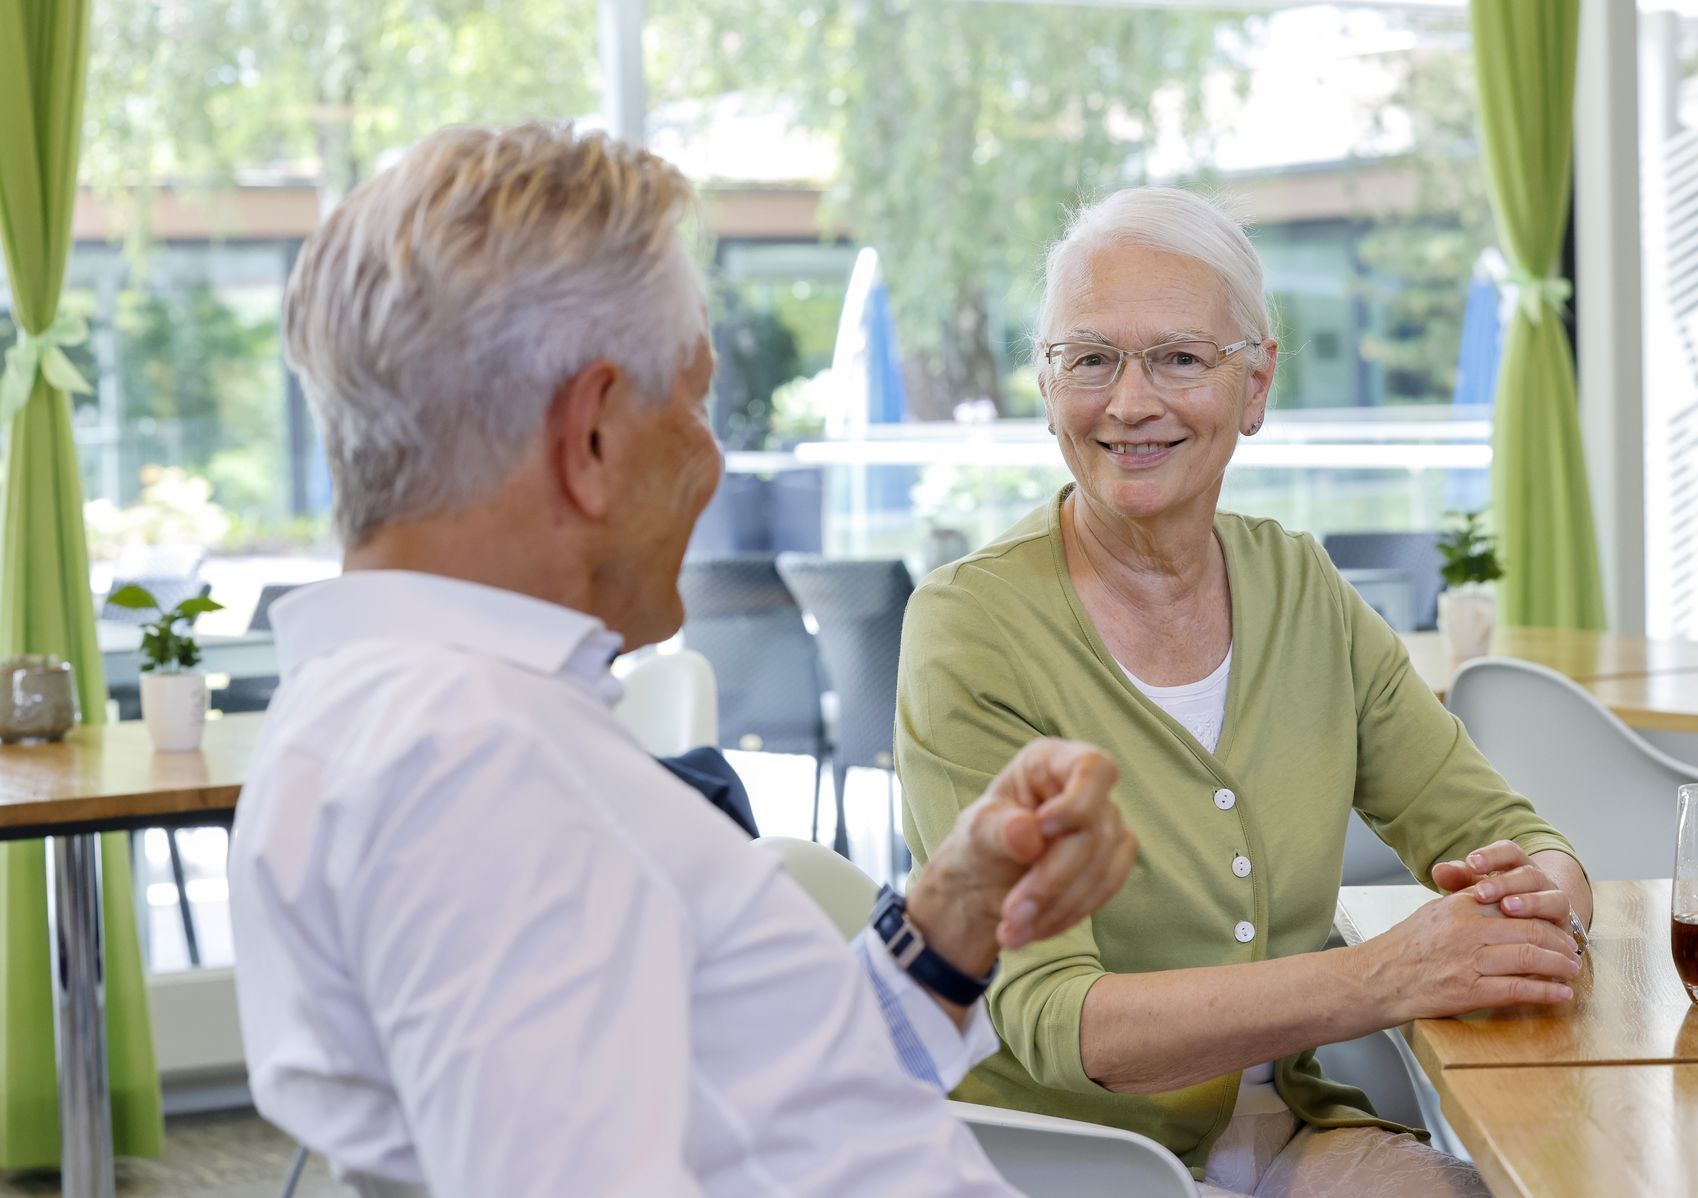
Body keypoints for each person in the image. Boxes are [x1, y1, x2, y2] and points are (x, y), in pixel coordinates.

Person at [226, 123, 1137, 1198]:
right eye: (696, 403)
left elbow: (754, 1112)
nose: (710, 460)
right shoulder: (478, 768)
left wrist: (947, 922)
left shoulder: (413, 716)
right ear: (594, 436)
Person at [894, 186, 1594, 1197]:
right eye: (1090, 359)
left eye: (1179, 358)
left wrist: (1541, 891)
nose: (1129, 402)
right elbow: (1054, 1020)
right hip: (1063, 1164)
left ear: (1256, 383)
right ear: (1049, 388)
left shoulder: (1302, 588)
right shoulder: (972, 624)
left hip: (1289, 1136)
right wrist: (1381, 978)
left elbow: (1504, 829)